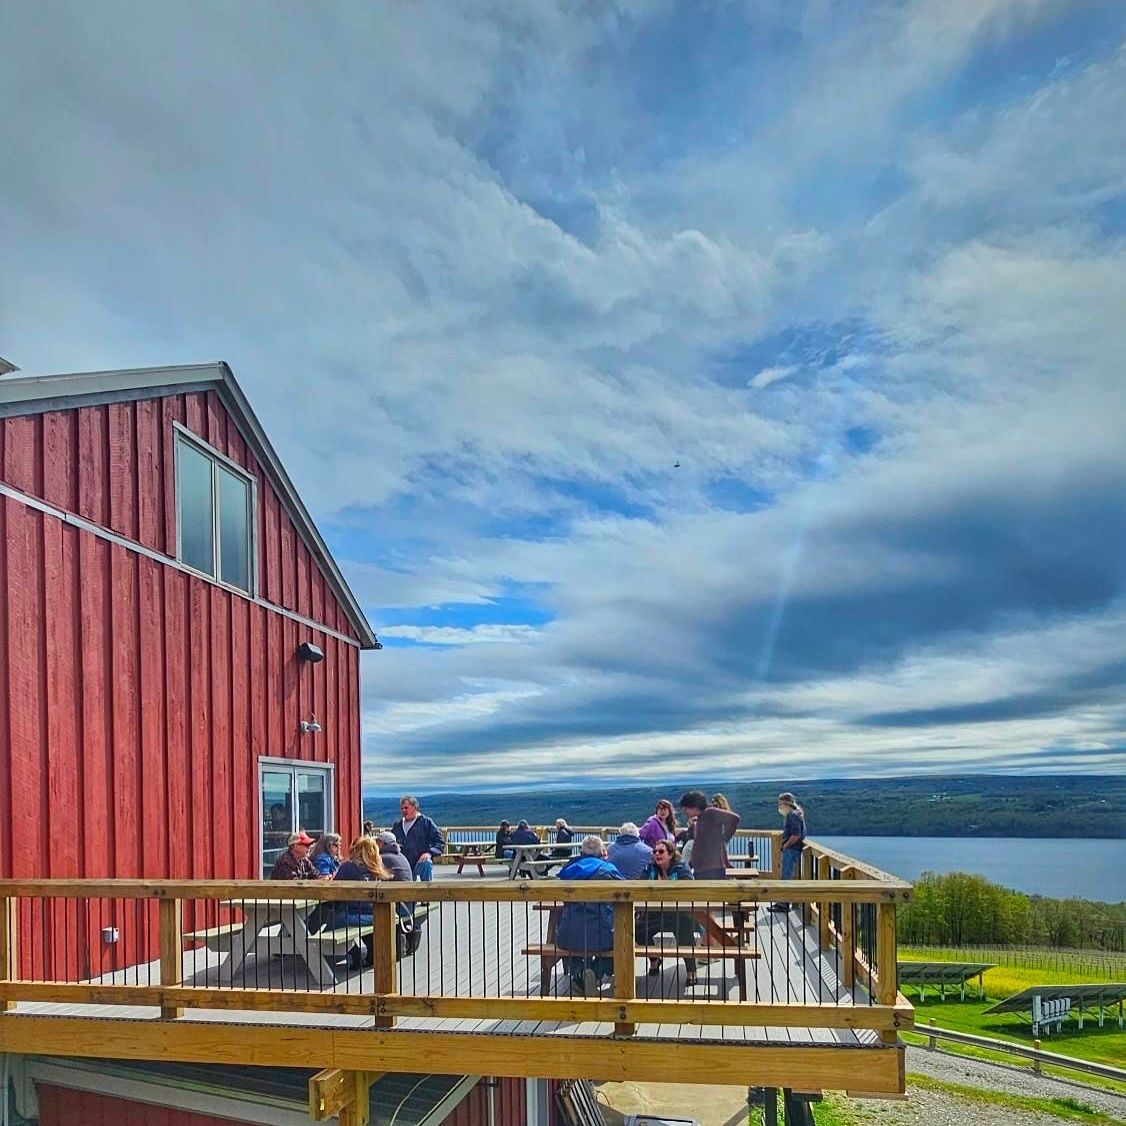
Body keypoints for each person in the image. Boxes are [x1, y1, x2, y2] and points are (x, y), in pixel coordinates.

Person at [555, 836, 623, 995]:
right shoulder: (608, 871)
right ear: (602, 852)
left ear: (581, 851)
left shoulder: (568, 870)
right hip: (601, 935)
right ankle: (595, 971)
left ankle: (579, 972)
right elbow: (626, 893)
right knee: (622, 944)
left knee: (571, 942)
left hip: (567, 934)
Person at [638, 840, 699, 986]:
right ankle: (654, 958)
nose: (657, 854)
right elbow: (639, 885)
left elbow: (688, 886)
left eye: (661, 851)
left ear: (671, 854)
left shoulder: (681, 867)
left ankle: (691, 971)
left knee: (685, 932)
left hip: (678, 913)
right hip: (654, 913)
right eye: (655, 852)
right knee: (638, 929)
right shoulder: (649, 868)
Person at [331, 836, 390, 967]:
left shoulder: (348, 867)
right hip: (376, 913)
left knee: (331, 919)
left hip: (353, 914)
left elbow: (333, 891)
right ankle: (370, 953)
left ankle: (352, 952)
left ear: (357, 850)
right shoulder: (378, 870)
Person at [678, 790, 740, 880]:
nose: (684, 811)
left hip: (711, 870)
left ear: (694, 807)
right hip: (702, 868)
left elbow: (734, 818)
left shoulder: (710, 812)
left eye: (686, 808)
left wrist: (724, 838)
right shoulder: (700, 818)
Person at [392, 795, 445, 882]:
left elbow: (440, 842)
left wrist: (429, 853)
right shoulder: (398, 825)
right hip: (403, 862)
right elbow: (391, 843)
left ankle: (427, 891)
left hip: (419, 861)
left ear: (415, 807)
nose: (403, 811)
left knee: (427, 863)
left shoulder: (426, 822)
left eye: (406, 808)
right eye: (401, 808)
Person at [770, 792, 806, 914]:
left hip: (791, 850)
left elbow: (796, 835)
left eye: (780, 804)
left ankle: (783, 904)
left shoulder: (792, 815)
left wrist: (785, 846)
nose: (779, 806)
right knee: (785, 875)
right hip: (792, 850)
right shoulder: (795, 814)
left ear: (786, 803)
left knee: (786, 877)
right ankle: (782, 902)